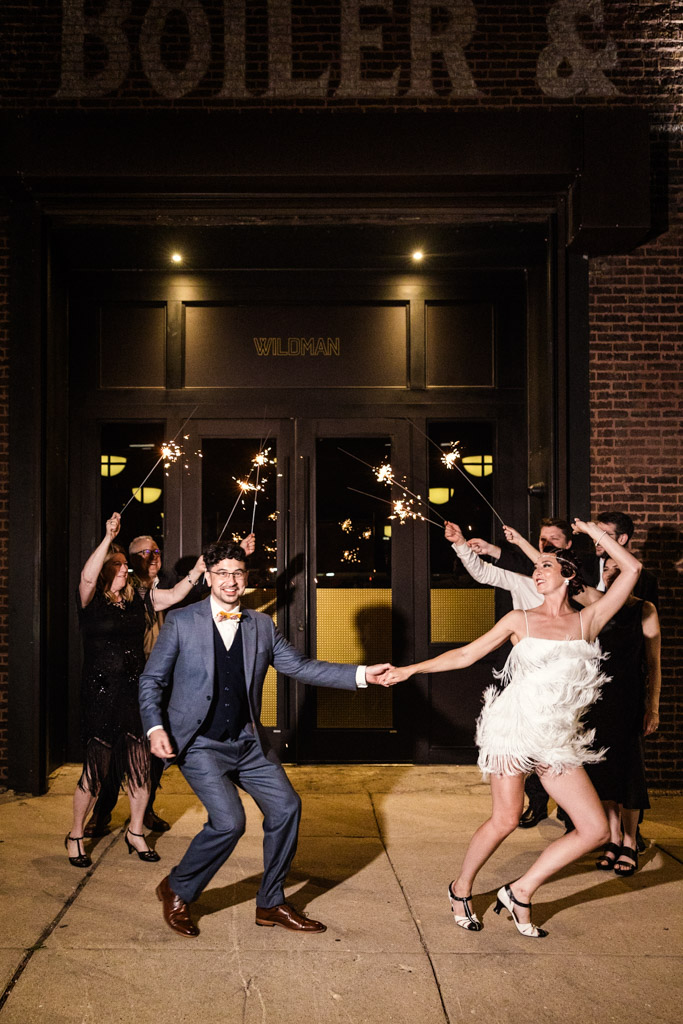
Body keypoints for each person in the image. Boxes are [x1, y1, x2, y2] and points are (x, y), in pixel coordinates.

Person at [379, 519, 641, 937]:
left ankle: (520, 890)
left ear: (569, 574)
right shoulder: (520, 619)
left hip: (557, 738)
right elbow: (466, 655)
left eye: (547, 566)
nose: (537, 571)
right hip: (514, 729)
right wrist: (411, 669)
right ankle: (460, 887)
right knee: (505, 818)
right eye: (536, 567)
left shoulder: (589, 619)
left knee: (593, 829)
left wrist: (596, 534)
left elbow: (632, 571)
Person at [139, 540, 393, 937]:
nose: (230, 581)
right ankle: (178, 887)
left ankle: (271, 902)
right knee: (229, 822)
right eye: (221, 572)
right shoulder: (182, 621)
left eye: (238, 573)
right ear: (207, 577)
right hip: (200, 743)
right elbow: (152, 680)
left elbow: (301, 667)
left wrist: (361, 675)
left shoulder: (260, 625)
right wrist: (155, 729)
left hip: (246, 741)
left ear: (246, 578)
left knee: (287, 807)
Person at [84, 531, 256, 838]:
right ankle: (102, 811)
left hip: (153, 679)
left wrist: (234, 556)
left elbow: (198, 593)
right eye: (144, 554)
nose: (153, 557)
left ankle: (143, 813)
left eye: (157, 552)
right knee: (111, 753)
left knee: (146, 755)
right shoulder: (126, 593)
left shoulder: (156, 590)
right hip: (115, 684)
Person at [65, 513, 205, 868]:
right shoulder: (90, 602)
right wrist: (108, 537)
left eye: (127, 564)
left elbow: (173, 595)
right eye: (119, 564)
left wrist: (198, 570)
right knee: (95, 774)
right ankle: (76, 834)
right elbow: (86, 576)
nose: (126, 569)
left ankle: (136, 832)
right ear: (106, 570)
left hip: (133, 691)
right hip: (100, 692)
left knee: (141, 769)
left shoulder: (139, 600)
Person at [456, 519, 576, 833]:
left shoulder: (578, 583)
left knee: (565, 743)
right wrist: (461, 544)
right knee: (528, 740)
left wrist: (502, 547)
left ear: (568, 547)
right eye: (542, 540)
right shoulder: (527, 579)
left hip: (567, 679)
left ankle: (572, 810)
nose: (546, 546)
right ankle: (536, 803)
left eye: (553, 541)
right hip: (531, 677)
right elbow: (483, 572)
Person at [584, 557, 661, 876]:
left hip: (629, 700)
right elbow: (564, 577)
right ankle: (613, 838)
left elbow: (654, 664)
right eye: (606, 567)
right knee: (603, 769)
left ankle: (630, 841)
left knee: (630, 770)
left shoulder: (644, 609)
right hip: (595, 700)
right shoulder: (595, 604)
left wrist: (652, 706)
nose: (611, 571)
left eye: (618, 567)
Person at [582, 510, 659, 607]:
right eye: (596, 534)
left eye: (604, 536)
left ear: (622, 539)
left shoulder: (646, 580)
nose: (596, 541)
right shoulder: (582, 566)